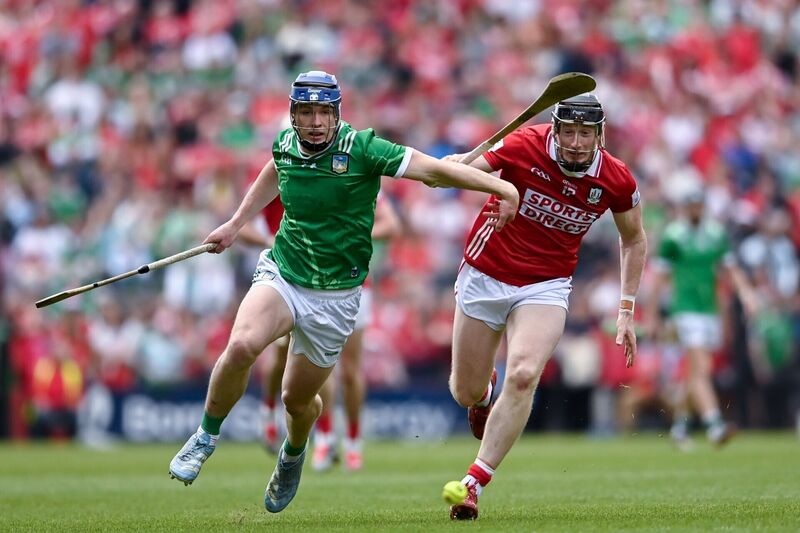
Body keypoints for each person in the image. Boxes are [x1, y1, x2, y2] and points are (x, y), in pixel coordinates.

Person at [168, 70, 519, 514]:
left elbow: (432, 171)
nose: (315, 122)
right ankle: (205, 436)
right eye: (306, 112)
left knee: (298, 400)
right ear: (294, 114)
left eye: (323, 112)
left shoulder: (364, 148)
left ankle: (293, 453)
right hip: (284, 273)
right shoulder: (286, 143)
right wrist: (236, 224)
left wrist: (500, 185)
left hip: (336, 298)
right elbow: (275, 169)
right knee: (241, 346)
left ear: (336, 113)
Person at [441, 93, 647, 520]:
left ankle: (474, 483)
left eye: (585, 133)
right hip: (485, 273)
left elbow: (634, 239)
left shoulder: (616, 179)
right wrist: (468, 171)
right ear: (555, 130)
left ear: (599, 135)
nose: (576, 143)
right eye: (568, 132)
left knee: (523, 374)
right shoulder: (524, 145)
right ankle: (483, 395)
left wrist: (626, 309)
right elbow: (459, 176)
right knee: (464, 391)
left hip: (546, 286)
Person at [648, 187, 758, 451]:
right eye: (691, 205)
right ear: (685, 208)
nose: (695, 210)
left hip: (709, 309)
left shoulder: (716, 234)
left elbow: (730, 268)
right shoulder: (673, 236)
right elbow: (660, 278)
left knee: (697, 372)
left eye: (699, 205)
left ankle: (679, 427)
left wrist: (746, 293)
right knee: (701, 368)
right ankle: (715, 425)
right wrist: (651, 315)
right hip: (685, 308)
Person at [311, 194, 402, 472]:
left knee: (350, 370)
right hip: (315, 283)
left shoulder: (362, 183)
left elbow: (391, 226)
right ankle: (325, 438)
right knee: (320, 367)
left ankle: (352, 442)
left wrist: (353, 235)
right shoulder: (314, 180)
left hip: (355, 285)